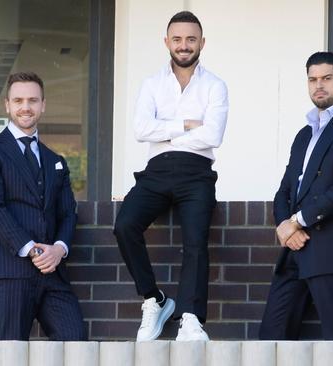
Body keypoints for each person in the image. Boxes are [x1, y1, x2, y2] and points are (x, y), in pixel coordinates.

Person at [113, 10, 228, 342]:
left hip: (197, 173)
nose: (184, 45)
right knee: (125, 225)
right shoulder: (152, 84)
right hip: (156, 172)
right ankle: (155, 300)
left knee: (195, 242)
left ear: (202, 42)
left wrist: (165, 134)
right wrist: (186, 124)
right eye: (177, 39)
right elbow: (140, 130)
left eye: (191, 39)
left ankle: (190, 319)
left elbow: (213, 135)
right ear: (167, 42)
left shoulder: (215, 86)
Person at [259, 52, 333, 340]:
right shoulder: (304, 134)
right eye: (312, 79)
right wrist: (284, 228)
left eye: (326, 78)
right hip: (295, 250)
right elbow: (286, 189)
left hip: (332, 248)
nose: (318, 85)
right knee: (271, 340)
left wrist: (297, 222)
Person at [0, 71, 86, 341]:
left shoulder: (54, 159)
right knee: (12, 352)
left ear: (43, 105)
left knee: (77, 346)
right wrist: (33, 250)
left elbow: (68, 213)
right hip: (10, 270)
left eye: (33, 100)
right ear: (7, 105)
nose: (26, 107)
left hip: (53, 272)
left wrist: (59, 249)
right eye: (19, 100)